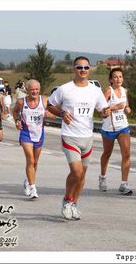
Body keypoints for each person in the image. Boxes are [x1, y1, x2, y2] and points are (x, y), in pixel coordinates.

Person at [48, 56, 110, 220]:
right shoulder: (64, 89)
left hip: (87, 137)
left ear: (89, 69)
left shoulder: (95, 90)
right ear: (74, 69)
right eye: (79, 67)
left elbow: (102, 109)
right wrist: (61, 113)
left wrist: (105, 112)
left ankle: (74, 204)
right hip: (70, 136)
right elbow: (50, 105)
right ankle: (67, 201)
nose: (83, 70)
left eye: (86, 67)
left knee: (82, 175)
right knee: (76, 171)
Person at [13, 79, 55, 199]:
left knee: (35, 162)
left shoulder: (45, 100)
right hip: (26, 134)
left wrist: (48, 115)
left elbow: (54, 114)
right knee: (30, 160)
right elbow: (15, 111)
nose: (34, 91)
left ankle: (28, 180)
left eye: (36, 89)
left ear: (39, 90)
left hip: (39, 134)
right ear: (27, 90)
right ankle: (33, 188)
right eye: (32, 89)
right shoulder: (22, 102)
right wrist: (17, 120)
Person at [99, 68, 132, 195]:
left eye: (120, 77)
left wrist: (127, 109)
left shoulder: (124, 91)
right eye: (115, 77)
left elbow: (127, 106)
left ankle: (124, 184)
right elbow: (101, 110)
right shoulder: (108, 91)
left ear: (123, 79)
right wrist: (114, 107)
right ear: (111, 79)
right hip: (108, 128)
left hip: (123, 127)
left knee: (127, 154)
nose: (118, 79)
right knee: (107, 153)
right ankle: (102, 177)